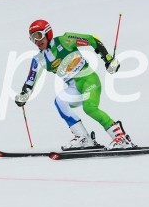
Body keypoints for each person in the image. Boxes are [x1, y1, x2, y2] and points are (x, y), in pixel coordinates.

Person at [15, 19, 136, 150]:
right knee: (60, 102)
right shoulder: (39, 59)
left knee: (89, 108)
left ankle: (121, 137)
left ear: (48, 33)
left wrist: (108, 59)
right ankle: (84, 138)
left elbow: (92, 39)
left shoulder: (65, 40)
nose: (36, 41)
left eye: (38, 36)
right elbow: (30, 81)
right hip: (74, 88)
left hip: (89, 80)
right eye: (32, 38)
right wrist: (24, 94)